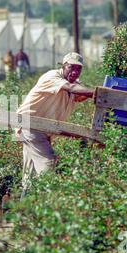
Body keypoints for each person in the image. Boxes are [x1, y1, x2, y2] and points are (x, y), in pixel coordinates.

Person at [16, 52, 94, 197]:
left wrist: (93, 93)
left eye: (78, 69)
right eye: (71, 67)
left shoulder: (72, 83)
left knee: (30, 175)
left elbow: (80, 95)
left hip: (41, 129)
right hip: (30, 125)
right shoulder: (52, 77)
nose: (75, 72)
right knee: (48, 163)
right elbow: (72, 89)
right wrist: (97, 92)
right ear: (64, 66)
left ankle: (23, 213)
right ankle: (48, 207)